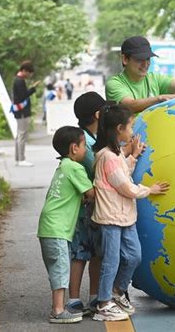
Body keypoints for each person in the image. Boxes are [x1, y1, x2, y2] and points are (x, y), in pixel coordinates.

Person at [92, 103, 170, 321]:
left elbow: (122, 173)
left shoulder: (114, 155)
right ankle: (103, 304)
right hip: (111, 218)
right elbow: (125, 187)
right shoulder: (106, 156)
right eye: (130, 127)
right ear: (119, 129)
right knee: (111, 260)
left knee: (134, 256)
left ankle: (117, 292)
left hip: (125, 217)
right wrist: (150, 189)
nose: (132, 132)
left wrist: (133, 155)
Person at [37, 126, 95, 323]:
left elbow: (71, 196)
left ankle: (59, 307)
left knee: (57, 267)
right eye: (84, 146)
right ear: (74, 148)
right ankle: (58, 310)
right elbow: (92, 193)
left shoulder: (62, 166)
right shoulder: (75, 167)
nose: (86, 150)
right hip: (57, 228)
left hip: (49, 226)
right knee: (61, 267)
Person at [65, 92, 107, 315]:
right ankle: (78, 298)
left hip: (90, 206)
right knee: (84, 253)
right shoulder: (87, 143)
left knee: (90, 252)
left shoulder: (86, 136)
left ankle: (88, 297)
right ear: (99, 114)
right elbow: (97, 167)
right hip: (87, 207)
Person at [105, 36, 175, 113]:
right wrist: (159, 99)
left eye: (148, 58)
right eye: (139, 59)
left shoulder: (155, 78)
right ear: (125, 59)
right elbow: (129, 105)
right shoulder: (114, 84)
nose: (145, 64)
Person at [12, 60, 40, 167]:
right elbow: (23, 96)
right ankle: (21, 159)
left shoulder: (17, 80)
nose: (30, 75)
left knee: (19, 134)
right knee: (22, 135)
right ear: (24, 70)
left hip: (19, 111)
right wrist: (33, 88)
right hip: (22, 112)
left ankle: (18, 158)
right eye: (29, 72)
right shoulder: (20, 81)